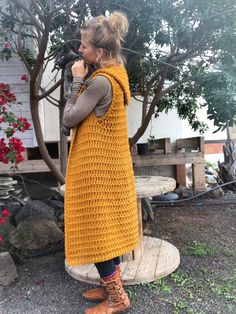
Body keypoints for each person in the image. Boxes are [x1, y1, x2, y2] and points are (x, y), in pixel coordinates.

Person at [63, 11, 139, 314]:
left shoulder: (99, 82)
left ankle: (118, 298)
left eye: (84, 46)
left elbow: (70, 118)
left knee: (97, 233)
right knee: (107, 231)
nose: (81, 51)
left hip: (97, 172)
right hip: (112, 168)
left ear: (100, 52)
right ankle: (110, 287)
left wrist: (77, 79)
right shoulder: (117, 71)